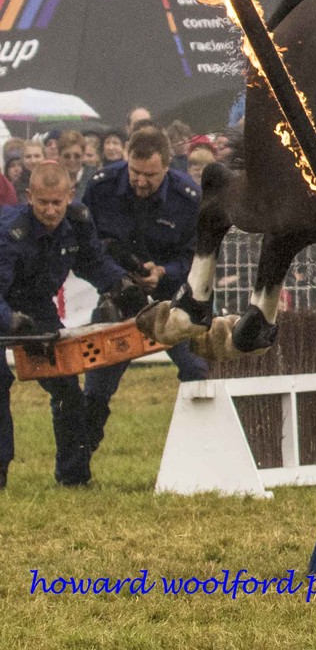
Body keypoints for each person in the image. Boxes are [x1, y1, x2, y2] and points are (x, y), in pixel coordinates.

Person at [0, 163, 136, 488]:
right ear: (29, 196)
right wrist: (11, 323)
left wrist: (120, 284)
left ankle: (73, 477)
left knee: (66, 386)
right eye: (42, 202)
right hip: (4, 305)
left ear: (69, 196)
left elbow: (93, 263)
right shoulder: (9, 232)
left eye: (56, 203)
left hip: (36, 308)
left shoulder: (78, 222)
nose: (50, 210)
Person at [81, 126, 209, 453]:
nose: (140, 181)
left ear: (167, 166)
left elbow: (198, 256)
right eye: (134, 172)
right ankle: (75, 467)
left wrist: (164, 272)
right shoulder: (101, 189)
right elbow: (86, 247)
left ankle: (194, 451)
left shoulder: (187, 197)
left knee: (198, 370)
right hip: (120, 295)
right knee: (96, 385)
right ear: (126, 158)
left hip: (172, 299)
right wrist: (119, 278)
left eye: (150, 176)